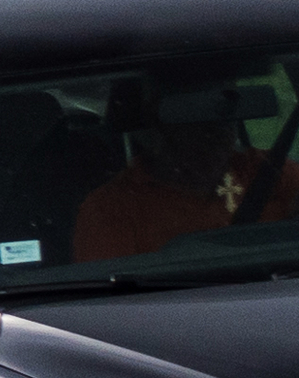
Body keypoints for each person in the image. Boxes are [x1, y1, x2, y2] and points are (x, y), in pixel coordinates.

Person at [72, 91, 299, 264]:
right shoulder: (111, 208)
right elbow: (113, 303)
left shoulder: (268, 171)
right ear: (156, 137)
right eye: (201, 129)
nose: (219, 140)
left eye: (224, 124)